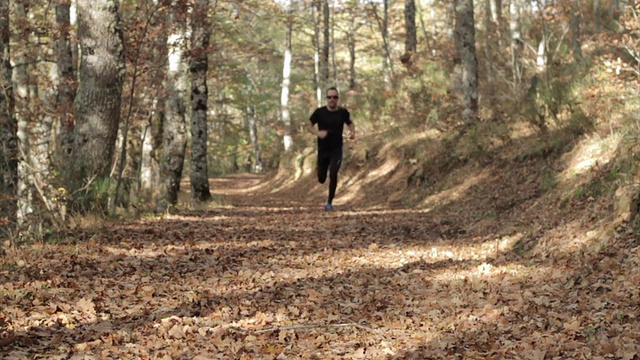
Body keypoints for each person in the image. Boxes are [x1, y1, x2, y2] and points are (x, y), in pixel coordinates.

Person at [307, 87, 355, 211]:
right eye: (329, 97)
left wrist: (352, 132)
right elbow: (309, 125)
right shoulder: (319, 112)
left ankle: (329, 202)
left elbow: (350, 123)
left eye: (334, 97)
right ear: (326, 99)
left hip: (336, 149)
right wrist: (318, 133)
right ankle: (320, 170)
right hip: (323, 149)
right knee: (322, 178)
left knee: (333, 173)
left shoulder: (343, 112)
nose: (332, 99)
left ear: (338, 99)